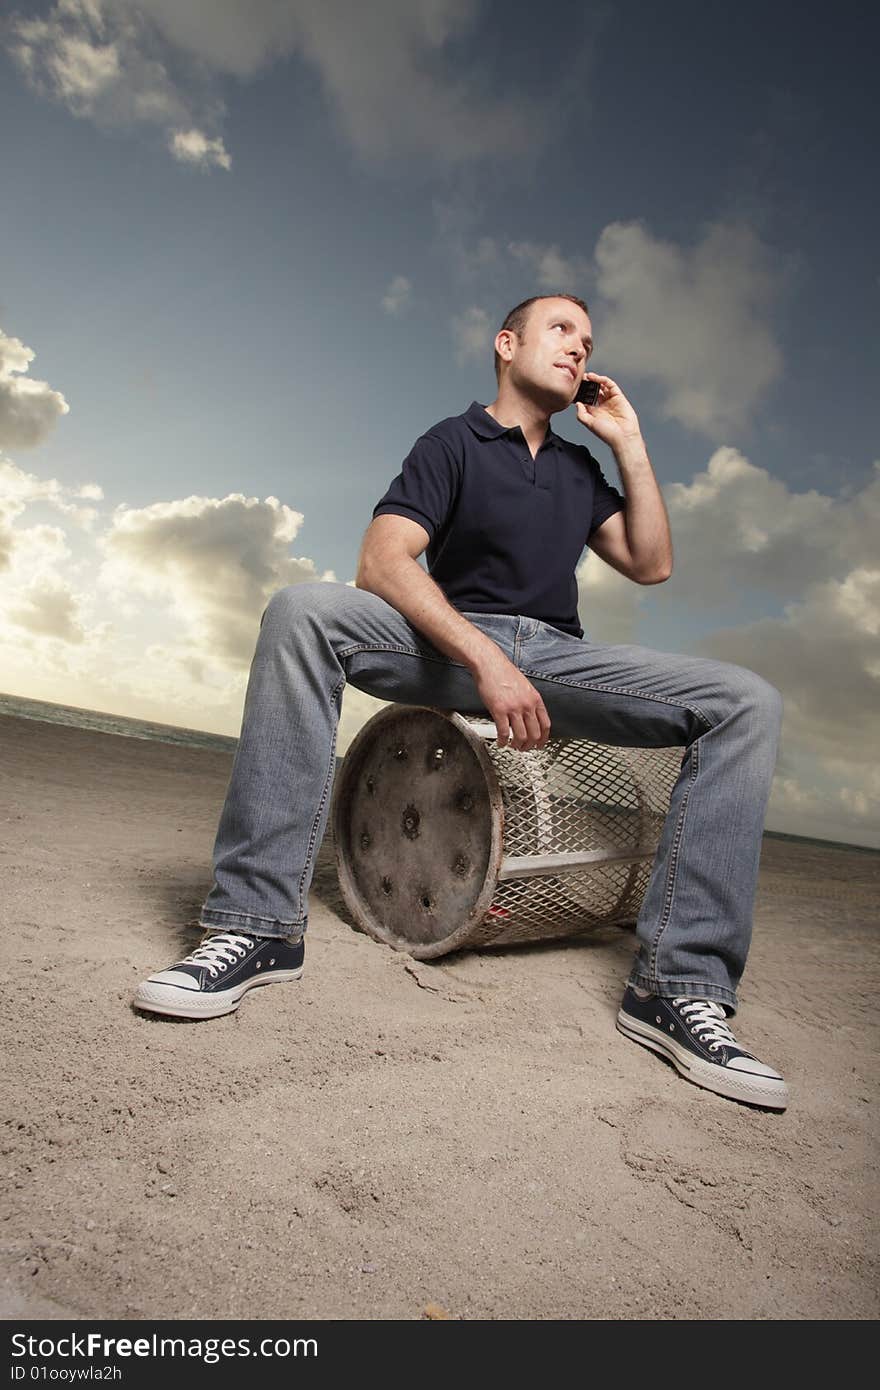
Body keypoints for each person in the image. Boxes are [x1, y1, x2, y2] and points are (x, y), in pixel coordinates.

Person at [133, 293, 788, 1111]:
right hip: (445, 646)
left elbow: (651, 563)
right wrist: (482, 658)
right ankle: (257, 927)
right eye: (562, 331)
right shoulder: (455, 441)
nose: (579, 349)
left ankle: (675, 987)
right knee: (304, 610)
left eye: (588, 342)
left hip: (555, 654)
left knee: (747, 701)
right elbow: (382, 561)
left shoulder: (582, 472)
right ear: (506, 344)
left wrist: (629, 443)